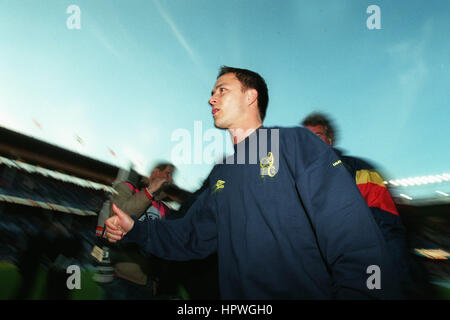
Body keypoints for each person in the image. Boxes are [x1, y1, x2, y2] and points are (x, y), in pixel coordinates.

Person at [105, 66, 403, 299]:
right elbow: (191, 236)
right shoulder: (223, 173)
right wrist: (137, 230)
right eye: (212, 92)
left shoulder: (294, 144)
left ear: (251, 97)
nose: (212, 98)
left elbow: (351, 234)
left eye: (222, 89)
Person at [301, 112, 411, 295]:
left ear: (329, 140)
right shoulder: (296, 179)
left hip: (364, 268)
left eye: (317, 136)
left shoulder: (360, 170)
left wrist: (390, 275)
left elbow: (387, 224)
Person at [102, 162, 182, 300]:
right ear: (156, 173)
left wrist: (158, 278)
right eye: (168, 174)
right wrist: (149, 191)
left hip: (148, 284)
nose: (171, 180)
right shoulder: (127, 188)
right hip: (121, 280)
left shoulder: (164, 209)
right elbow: (118, 219)